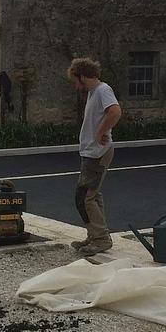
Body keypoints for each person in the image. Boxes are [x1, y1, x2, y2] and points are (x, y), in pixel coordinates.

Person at [68, 57, 122, 255]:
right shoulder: (94, 92)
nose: (76, 86)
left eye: (76, 81)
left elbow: (115, 112)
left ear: (82, 76)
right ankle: (95, 235)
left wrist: (101, 132)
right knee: (92, 195)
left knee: (85, 197)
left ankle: (100, 239)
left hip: (97, 153)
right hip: (91, 152)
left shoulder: (102, 90)